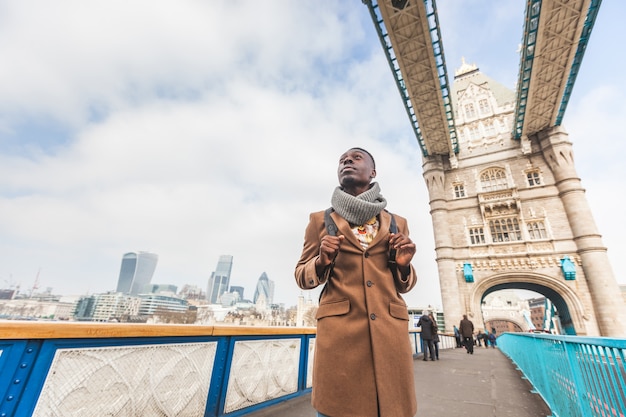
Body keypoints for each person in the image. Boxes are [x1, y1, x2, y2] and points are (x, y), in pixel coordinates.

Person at [295, 147, 418, 417]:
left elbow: (405, 285)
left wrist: (404, 264)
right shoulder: (320, 220)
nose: (347, 161)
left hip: (390, 334)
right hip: (340, 337)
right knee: (336, 409)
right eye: (342, 160)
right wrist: (321, 261)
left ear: (373, 172)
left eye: (356, 157)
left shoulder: (398, 223)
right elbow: (301, 275)